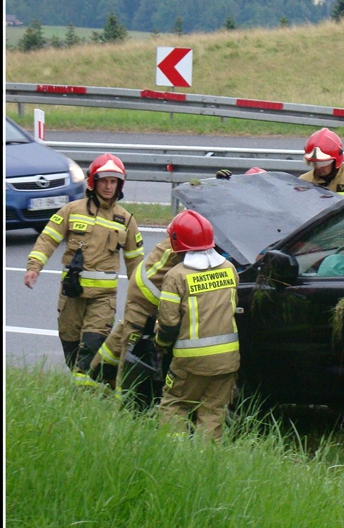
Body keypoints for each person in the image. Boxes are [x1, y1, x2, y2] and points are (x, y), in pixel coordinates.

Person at [25, 153, 144, 384]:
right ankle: (84, 386)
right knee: (70, 346)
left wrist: (142, 301)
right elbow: (47, 239)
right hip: (71, 295)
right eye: (104, 181)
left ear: (120, 184)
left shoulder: (126, 220)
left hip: (103, 300)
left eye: (114, 182)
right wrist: (34, 267)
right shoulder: (72, 210)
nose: (109, 186)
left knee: (91, 347)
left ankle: (83, 395)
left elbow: (136, 264)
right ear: (93, 182)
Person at [154, 209, 240, 442]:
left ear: (177, 241)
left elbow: (169, 324)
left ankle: (175, 458)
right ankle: (204, 461)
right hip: (228, 360)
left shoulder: (176, 276)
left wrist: (160, 344)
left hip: (190, 362)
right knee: (213, 411)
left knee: (175, 405)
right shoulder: (230, 269)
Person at [88, 235, 182, 407]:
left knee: (125, 332)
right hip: (146, 296)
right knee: (132, 349)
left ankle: (95, 376)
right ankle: (123, 406)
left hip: (144, 287)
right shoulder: (196, 234)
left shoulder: (193, 225)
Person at [299, 128, 344, 194]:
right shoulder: (303, 181)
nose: (318, 167)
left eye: (323, 163)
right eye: (314, 162)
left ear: (335, 161)